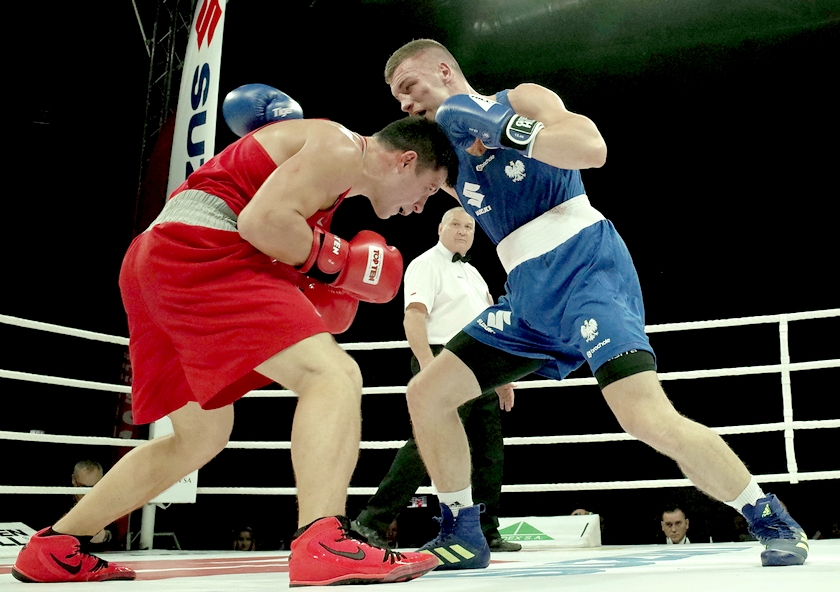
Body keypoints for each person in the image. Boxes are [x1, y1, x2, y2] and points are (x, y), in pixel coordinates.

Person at [383, 38, 809, 570]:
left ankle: (770, 517)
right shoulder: (445, 156)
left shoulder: (520, 100)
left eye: (409, 87)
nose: (405, 103)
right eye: (397, 98)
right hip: (527, 296)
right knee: (427, 393)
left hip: (587, 268)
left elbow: (592, 149)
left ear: (445, 71)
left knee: (646, 416)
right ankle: (463, 531)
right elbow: (384, 173)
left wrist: (505, 129)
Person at [12, 85, 459, 586]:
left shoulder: (327, 171)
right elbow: (261, 223)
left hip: (155, 261)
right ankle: (324, 541)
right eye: (427, 190)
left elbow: (267, 229)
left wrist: (322, 274)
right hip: (196, 251)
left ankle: (56, 546)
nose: (419, 207)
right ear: (405, 161)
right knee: (333, 375)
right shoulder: (341, 148)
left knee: (200, 436)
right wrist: (338, 264)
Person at [351, 207, 521, 553]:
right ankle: (371, 522)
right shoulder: (426, 264)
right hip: (444, 358)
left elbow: (492, 325)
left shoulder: (474, 274)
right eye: (455, 224)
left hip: (482, 364)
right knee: (426, 445)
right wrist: (429, 366)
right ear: (440, 228)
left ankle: (485, 530)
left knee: (488, 451)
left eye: (469, 226)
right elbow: (414, 317)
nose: (462, 231)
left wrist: (503, 377)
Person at [69, 461, 120, 552]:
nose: (89, 493)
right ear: (73, 480)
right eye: (84, 487)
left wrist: (105, 536)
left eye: (95, 487)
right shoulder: (59, 501)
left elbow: (116, 535)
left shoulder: (109, 502)